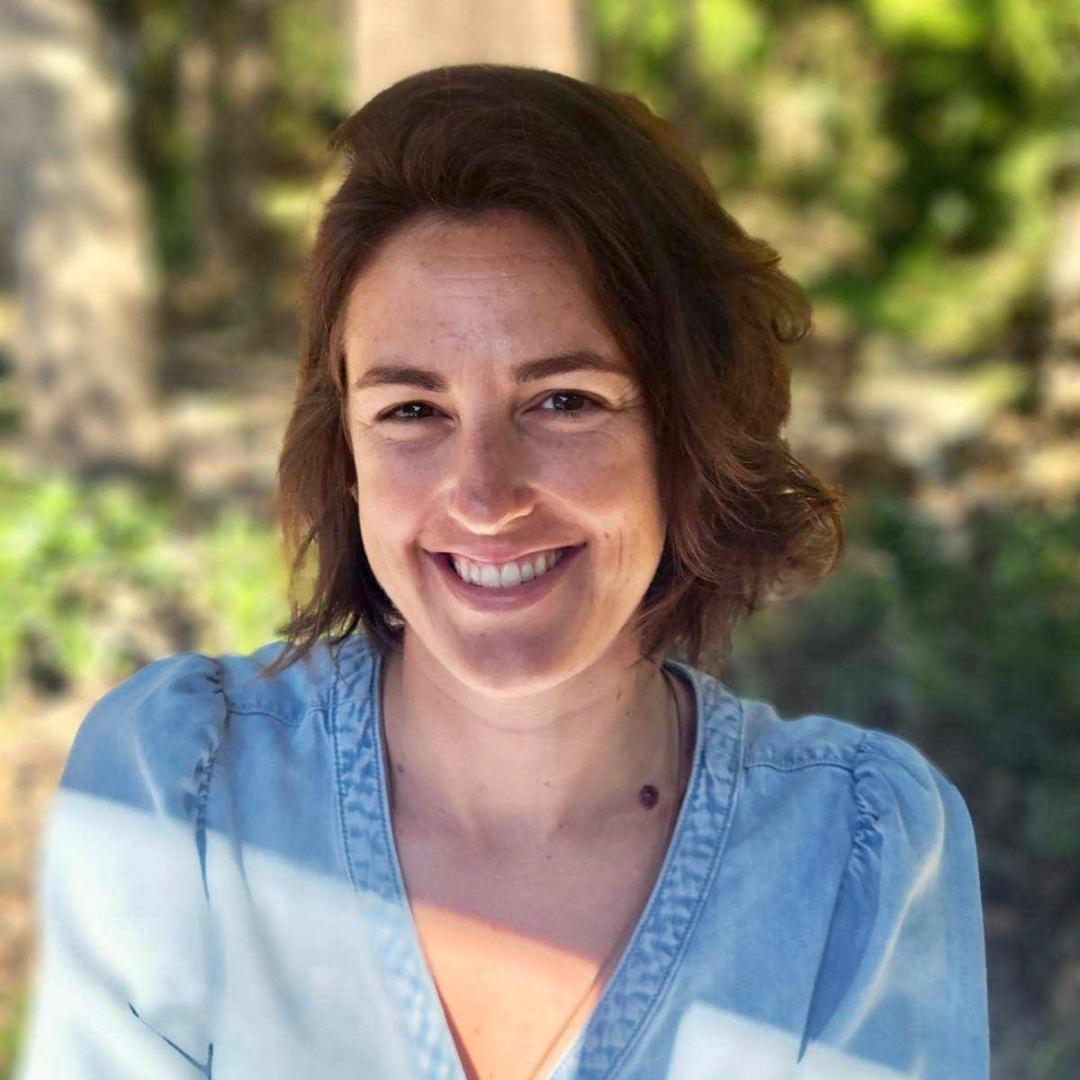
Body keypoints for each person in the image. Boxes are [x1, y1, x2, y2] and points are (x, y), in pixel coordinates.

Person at [17, 65, 989, 1080]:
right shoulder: (182, 794)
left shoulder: (854, 851)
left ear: (689, 429)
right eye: (412, 411)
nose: (484, 498)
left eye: (564, 401)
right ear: (347, 456)